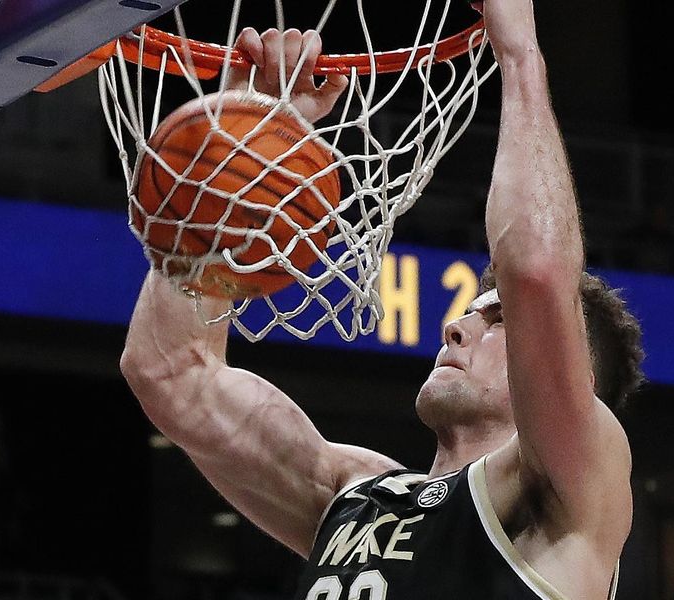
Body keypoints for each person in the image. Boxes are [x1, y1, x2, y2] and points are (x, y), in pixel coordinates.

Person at [121, 1, 645, 598]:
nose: (456, 329)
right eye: (471, 313)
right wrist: (234, 168)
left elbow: (536, 273)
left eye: (496, 320)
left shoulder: (573, 488)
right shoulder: (350, 494)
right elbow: (170, 372)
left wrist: (520, 56)